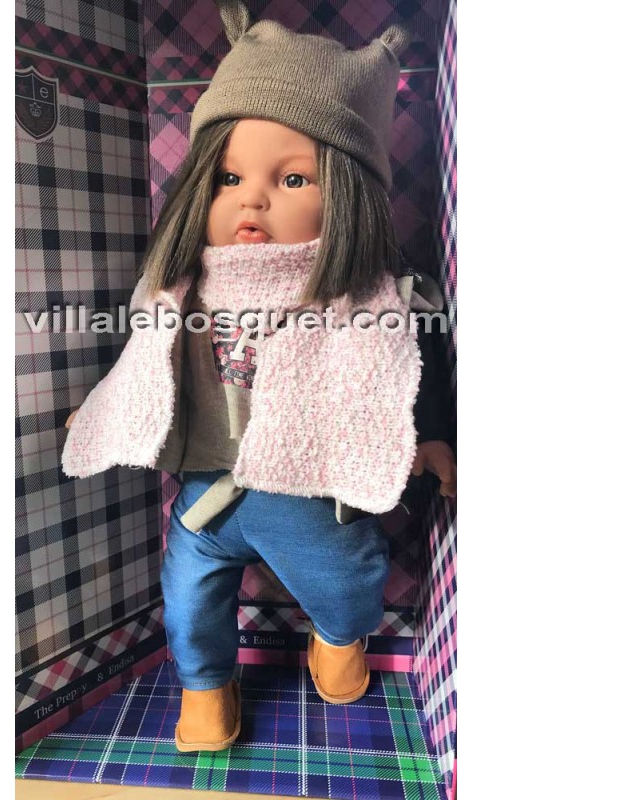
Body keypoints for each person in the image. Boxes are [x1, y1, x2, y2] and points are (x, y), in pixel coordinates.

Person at [62, 0, 456, 753]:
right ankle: (206, 688)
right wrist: (104, 407)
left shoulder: (367, 297)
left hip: (312, 500)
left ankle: (338, 641)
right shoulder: (177, 289)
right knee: (186, 599)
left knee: (348, 584)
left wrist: (432, 435)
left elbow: (409, 367)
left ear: (350, 196)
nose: (252, 197)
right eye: (229, 176)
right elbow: (142, 360)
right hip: (206, 500)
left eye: (294, 178)